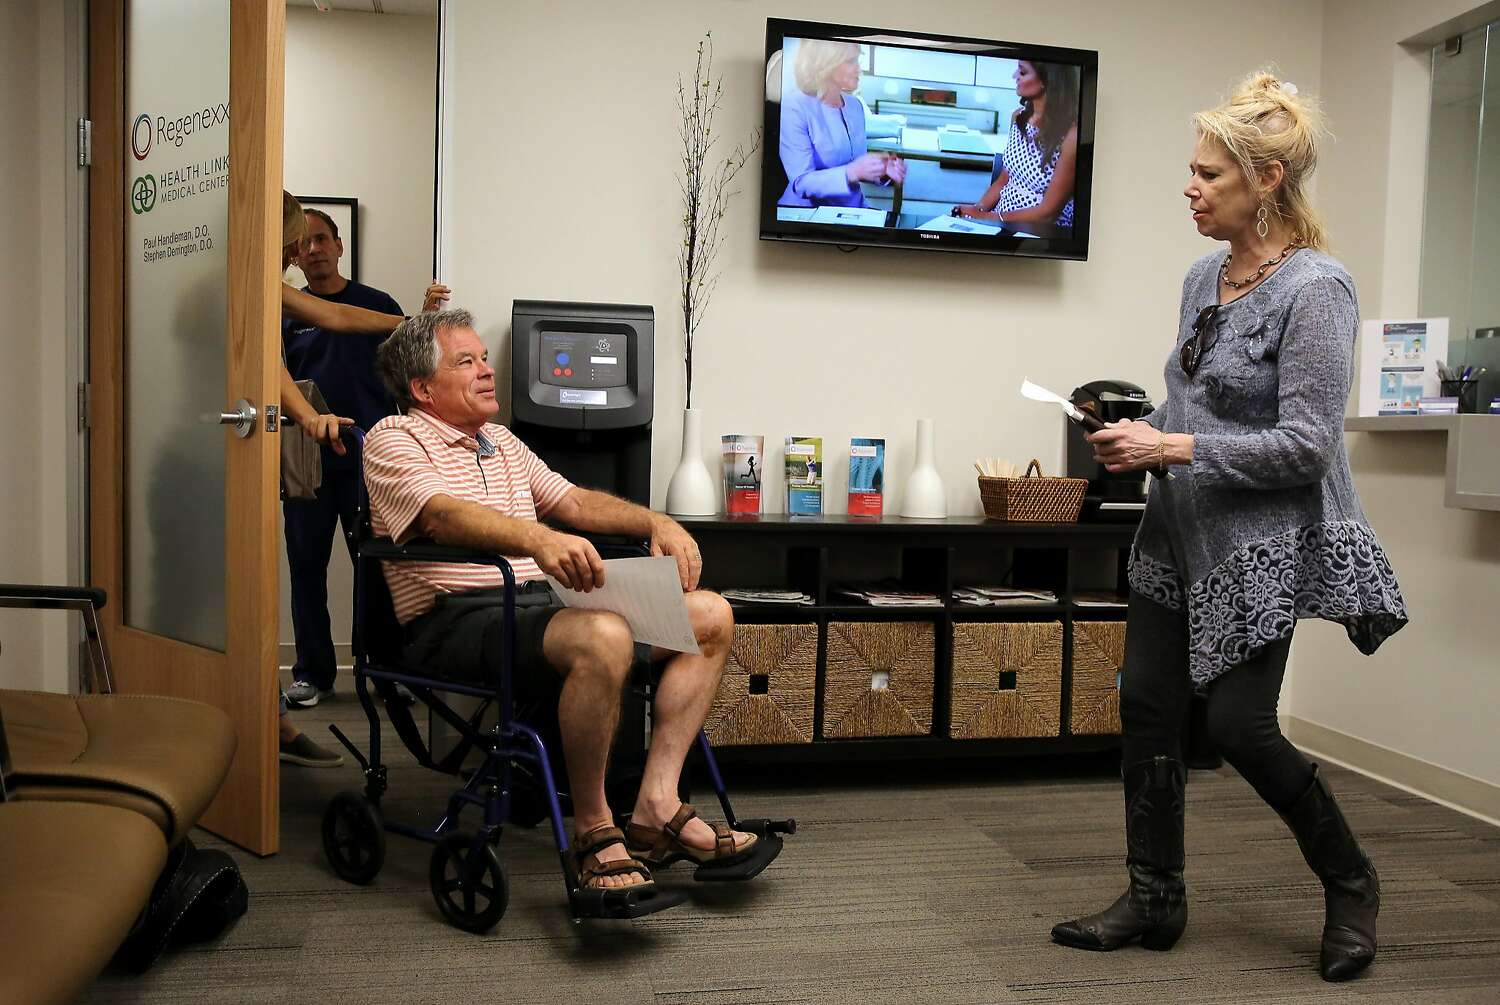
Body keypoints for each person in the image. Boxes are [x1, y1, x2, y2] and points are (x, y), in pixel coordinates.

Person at [1051, 72, 1408, 983]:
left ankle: (1351, 879)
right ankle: (1155, 896)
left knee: (1244, 727)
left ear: (1270, 180)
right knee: (1146, 710)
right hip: (1176, 536)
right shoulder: (1202, 276)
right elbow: (1196, 402)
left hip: (1259, 544)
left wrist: (1167, 444)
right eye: (1192, 171)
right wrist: (1131, 433)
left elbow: (1304, 446)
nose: (1191, 187)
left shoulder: (1318, 289)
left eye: (1210, 174)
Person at [364, 310, 758, 899]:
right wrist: (537, 539)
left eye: (483, 358)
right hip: (455, 618)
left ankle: (655, 805)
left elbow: (572, 503)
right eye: (465, 362)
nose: (486, 370)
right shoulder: (393, 438)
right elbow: (440, 513)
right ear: (423, 388)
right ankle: (595, 827)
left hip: (535, 606)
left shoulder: (498, 441)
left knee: (710, 616)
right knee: (602, 634)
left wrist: (657, 521)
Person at [281, 208, 449, 709]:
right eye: (301, 243)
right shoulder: (288, 309)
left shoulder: (375, 305)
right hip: (307, 458)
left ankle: (388, 669)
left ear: (338, 244)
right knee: (305, 567)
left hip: (369, 462)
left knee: (377, 569)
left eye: (320, 240)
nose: (311, 250)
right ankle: (313, 672)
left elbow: (409, 373)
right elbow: (280, 377)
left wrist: (418, 322)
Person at [778, 39, 906, 208]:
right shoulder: (794, 106)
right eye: (851, 61)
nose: (859, 69)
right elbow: (800, 183)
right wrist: (851, 171)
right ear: (826, 64)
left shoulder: (855, 106)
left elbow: (858, 164)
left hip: (853, 211)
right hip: (807, 215)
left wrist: (881, 172)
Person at [955, 60, 1079, 230]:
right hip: (999, 220)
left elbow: (1048, 212)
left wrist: (988, 217)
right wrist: (976, 210)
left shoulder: (1071, 135)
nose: (1015, 76)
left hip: (1040, 231)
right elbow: (1004, 179)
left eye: (1022, 72)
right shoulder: (1018, 117)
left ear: (1045, 80)